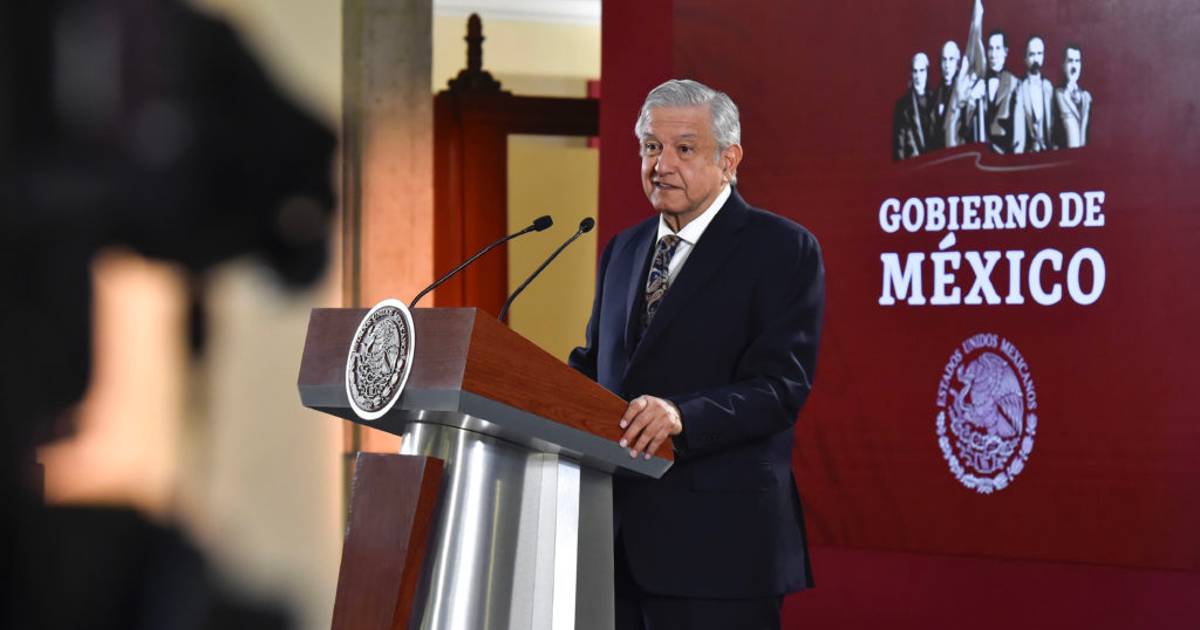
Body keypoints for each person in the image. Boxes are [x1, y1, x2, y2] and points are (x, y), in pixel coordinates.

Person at [568, 79, 824, 629]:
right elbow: (594, 367)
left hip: (721, 551)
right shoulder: (623, 249)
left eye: (684, 149)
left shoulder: (782, 249)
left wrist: (681, 415)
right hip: (614, 547)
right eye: (650, 147)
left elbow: (781, 388)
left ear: (729, 160)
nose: (661, 165)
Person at [1013, 35, 1054, 153]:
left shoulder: (1049, 88)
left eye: (1039, 54)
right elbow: (1018, 129)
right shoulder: (1020, 89)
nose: (1036, 59)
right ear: (1025, 58)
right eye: (1032, 54)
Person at [983, 29, 1019, 153]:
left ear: (1005, 52)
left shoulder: (1014, 83)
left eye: (998, 48)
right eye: (990, 48)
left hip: (1005, 152)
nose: (993, 54)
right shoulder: (979, 82)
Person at [893, 53, 934, 159]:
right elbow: (899, 147)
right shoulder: (902, 106)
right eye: (915, 71)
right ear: (911, 74)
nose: (918, 76)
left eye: (922, 70)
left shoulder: (936, 99)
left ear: (927, 73)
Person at [1053, 43, 1092, 149]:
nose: (1074, 66)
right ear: (1063, 65)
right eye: (1070, 61)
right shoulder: (1057, 94)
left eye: (1077, 61)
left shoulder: (1086, 97)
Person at [929, 41, 961, 150]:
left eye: (951, 59)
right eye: (944, 60)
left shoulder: (962, 92)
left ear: (957, 63)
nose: (947, 65)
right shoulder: (935, 95)